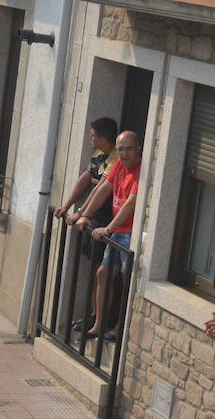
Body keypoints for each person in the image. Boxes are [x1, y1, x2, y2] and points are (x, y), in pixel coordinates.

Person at [73, 130, 142, 341]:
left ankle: (120, 328)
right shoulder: (119, 165)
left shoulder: (141, 171)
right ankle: (99, 325)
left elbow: (131, 203)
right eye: (120, 149)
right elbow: (104, 189)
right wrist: (84, 215)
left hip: (129, 233)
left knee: (126, 281)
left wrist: (108, 229)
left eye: (129, 149)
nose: (124, 154)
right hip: (117, 233)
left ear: (139, 149)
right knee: (103, 274)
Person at [58, 117, 118, 224]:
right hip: (92, 213)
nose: (90, 138)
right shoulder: (99, 152)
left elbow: (100, 187)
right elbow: (84, 179)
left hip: (107, 216)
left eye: (93, 136)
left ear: (103, 140)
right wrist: (66, 206)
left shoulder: (116, 158)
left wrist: (80, 212)